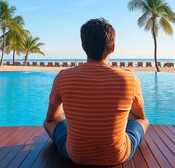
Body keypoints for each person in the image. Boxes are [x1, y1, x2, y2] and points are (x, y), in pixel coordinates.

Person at [44, 18, 149, 166]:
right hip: (118, 156)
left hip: (77, 156)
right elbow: (140, 116)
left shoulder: (63, 77)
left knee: (49, 122)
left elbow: (51, 117)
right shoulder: (129, 78)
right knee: (143, 121)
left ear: (83, 46)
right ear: (113, 48)